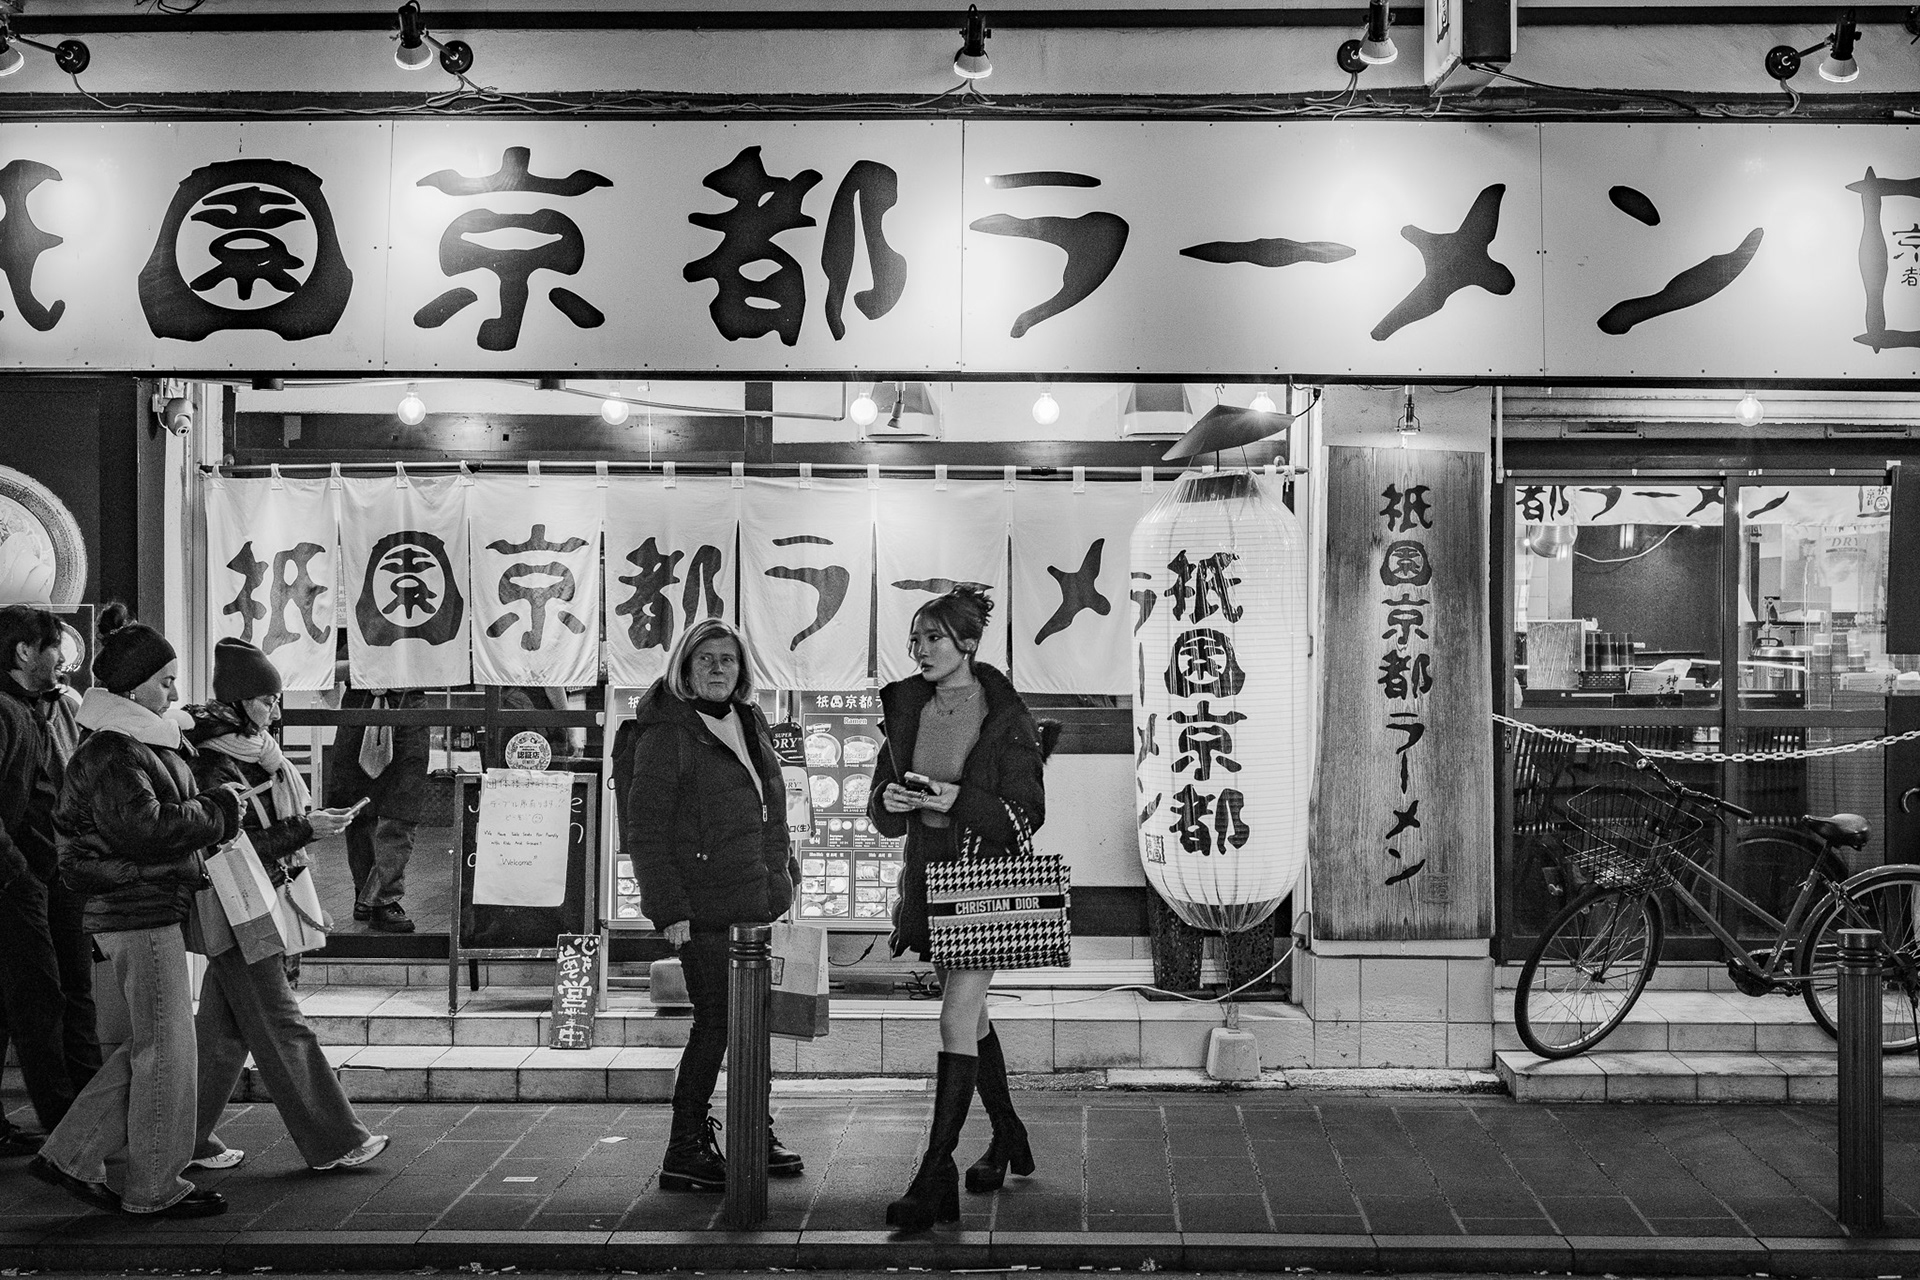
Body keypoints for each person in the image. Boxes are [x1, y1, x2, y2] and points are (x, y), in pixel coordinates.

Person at [32, 605, 240, 1219]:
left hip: (137, 909)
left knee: (148, 1046)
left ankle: (70, 1155)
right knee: (165, 1052)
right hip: (137, 911)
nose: (174, 691)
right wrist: (219, 809)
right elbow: (145, 830)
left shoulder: (134, 740)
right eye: (166, 681)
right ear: (131, 685)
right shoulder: (116, 750)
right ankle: (152, 1187)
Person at [866, 586, 1052, 1233]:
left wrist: (953, 800)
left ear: (966, 644)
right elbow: (882, 815)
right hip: (927, 884)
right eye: (915, 638)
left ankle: (933, 1173)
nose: (919, 650)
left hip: (984, 887)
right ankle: (1007, 1133)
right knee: (970, 1021)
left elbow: (1026, 814)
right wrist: (889, 803)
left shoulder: (1005, 714)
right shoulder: (905, 706)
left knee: (954, 1018)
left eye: (933, 638)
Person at [180, 638, 389, 1174]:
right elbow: (227, 843)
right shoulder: (210, 759)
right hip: (236, 903)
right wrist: (305, 828)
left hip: (255, 898)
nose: (275, 712)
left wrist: (309, 825)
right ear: (237, 700)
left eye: (276, 701)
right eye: (266, 700)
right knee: (280, 1021)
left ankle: (184, 1140)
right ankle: (337, 1140)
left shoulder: (257, 752)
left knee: (223, 1035)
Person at [625, 618, 801, 1193]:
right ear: (684, 667)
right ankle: (685, 1147)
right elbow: (645, 830)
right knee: (717, 1024)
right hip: (700, 908)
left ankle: (754, 1128)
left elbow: (770, 805)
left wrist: (784, 878)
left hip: (754, 898)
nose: (719, 669)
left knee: (755, 1020)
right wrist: (667, 908)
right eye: (707, 660)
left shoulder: (749, 720)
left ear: (741, 670)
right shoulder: (666, 731)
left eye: (728, 660)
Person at [0, 605, 99, 1156]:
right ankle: (71, 1134)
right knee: (42, 1001)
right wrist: (20, 876)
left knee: (30, 999)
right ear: (24, 653)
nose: (63, 658)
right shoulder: (8, 713)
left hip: (42, 875)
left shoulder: (36, 708)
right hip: (21, 881)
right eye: (55, 646)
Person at [324, 682, 429, 934]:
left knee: (401, 805)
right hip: (360, 698)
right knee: (358, 805)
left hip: (407, 699)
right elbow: (326, 662)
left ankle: (382, 898)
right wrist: (362, 669)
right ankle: (365, 892)